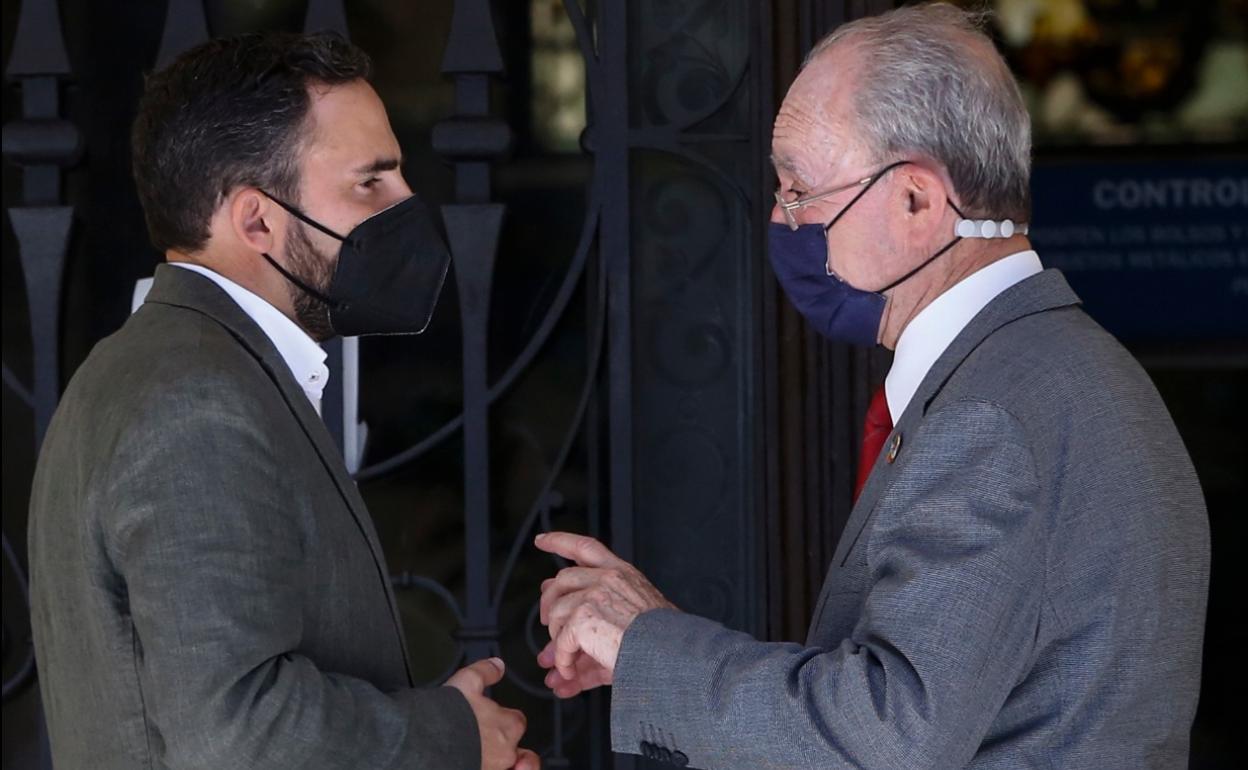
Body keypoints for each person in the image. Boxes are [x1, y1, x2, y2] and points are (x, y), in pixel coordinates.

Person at [534, 4, 1210, 768]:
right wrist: (651, 649)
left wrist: (647, 645)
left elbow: (888, 737)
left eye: (799, 188)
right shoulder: (1052, 366)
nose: (782, 219)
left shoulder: (989, 416)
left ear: (917, 201)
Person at [28, 32, 537, 770]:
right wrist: (455, 737)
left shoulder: (177, 369)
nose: (407, 206)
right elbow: (239, 733)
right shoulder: (193, 402)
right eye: (372, 183)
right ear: (256, 221)